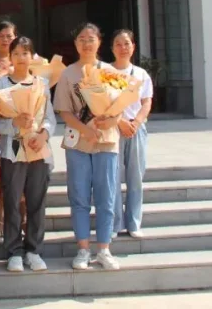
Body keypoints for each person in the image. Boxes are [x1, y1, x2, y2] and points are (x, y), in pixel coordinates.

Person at [53, 23, 121, 271]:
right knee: (79, 196)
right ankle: (83, 248)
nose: (86, 43)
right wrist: (85, 129)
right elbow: (64, 110)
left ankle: (104, 248)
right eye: (81, 39)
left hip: (106, 140)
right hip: (78, 141)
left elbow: (120, 105)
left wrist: (111, 120)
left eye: (91, 38)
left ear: (99, 42)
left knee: (106, 196)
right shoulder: (68, 74)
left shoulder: (110, 71)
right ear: (75, 44)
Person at [0, 37, 56, 273]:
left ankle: (34, 250)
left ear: (32, 56)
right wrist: (14, 123)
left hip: (38, 148)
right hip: (13, 149)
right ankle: (13, 251)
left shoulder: (42, 83)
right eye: (16, 53)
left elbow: (49, 118)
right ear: (10, 57)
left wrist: (44, 134)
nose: (21, 58)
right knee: (12, 200)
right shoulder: (2, 84)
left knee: (36, 201)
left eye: (25, 53)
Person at [111, 29, 154, 239]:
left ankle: (134, 222)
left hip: (136, 129)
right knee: (113, 177)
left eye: (126, 43)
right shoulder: (106, 73)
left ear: (133, 47)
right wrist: (119, 121)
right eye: (118, 44)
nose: (123, 48)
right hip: (113, 129)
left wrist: (135, 122)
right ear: (112, 48)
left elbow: (146, 102)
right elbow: (102, 103)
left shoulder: (141, 74)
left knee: (135, 177)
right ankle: (115, 223)